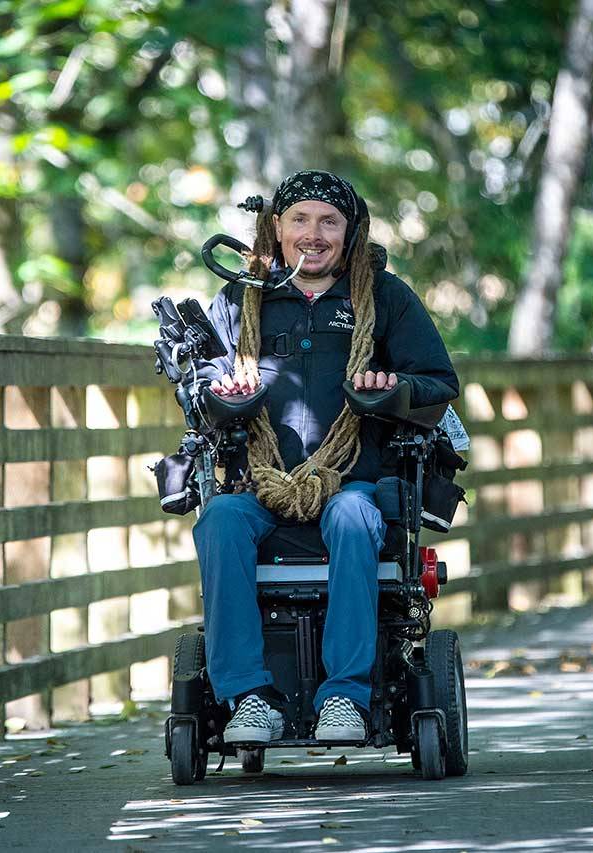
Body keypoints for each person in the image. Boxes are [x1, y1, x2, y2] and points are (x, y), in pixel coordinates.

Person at [191, 169, 459, 743]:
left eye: (329, 221)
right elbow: (202, 381)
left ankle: (346, 697)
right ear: (276, 228)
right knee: (218, 520)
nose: (313, 234)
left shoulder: (386, 298)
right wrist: (219, 394)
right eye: (299, 220)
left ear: (350, 231)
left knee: (355, 516)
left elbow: (439, 381)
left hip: (354, 484)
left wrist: (394, 388)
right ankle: (249, 698)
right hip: (260, 489)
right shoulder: (242, 300)